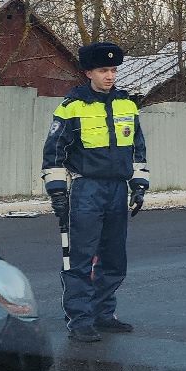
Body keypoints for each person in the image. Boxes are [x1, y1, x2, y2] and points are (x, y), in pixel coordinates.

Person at [42, 42, 150, 343]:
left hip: (117, 188)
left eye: (114, 70)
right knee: (81, 258)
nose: (110, 76)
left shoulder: (127, 104)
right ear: (88, 72)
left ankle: (104, 314)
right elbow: (53, 153)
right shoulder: (72, 106)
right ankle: (80, 319)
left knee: (114, 258)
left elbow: (138, 150)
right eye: (103, 70)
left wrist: (139, 185)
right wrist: (57, 192)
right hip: (86, 189)